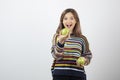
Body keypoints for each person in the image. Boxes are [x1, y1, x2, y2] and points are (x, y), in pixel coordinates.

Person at [51, 8, 92, 80]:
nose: (68, 21)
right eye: (65, 18)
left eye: (71, 18)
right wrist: (61, 43)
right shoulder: (57, 37)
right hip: (60, 75)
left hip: (78, 75)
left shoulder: (82, 39)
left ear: (76, 21)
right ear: (62, 21)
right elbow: (56, 56)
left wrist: (84, 59)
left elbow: (88, 55)